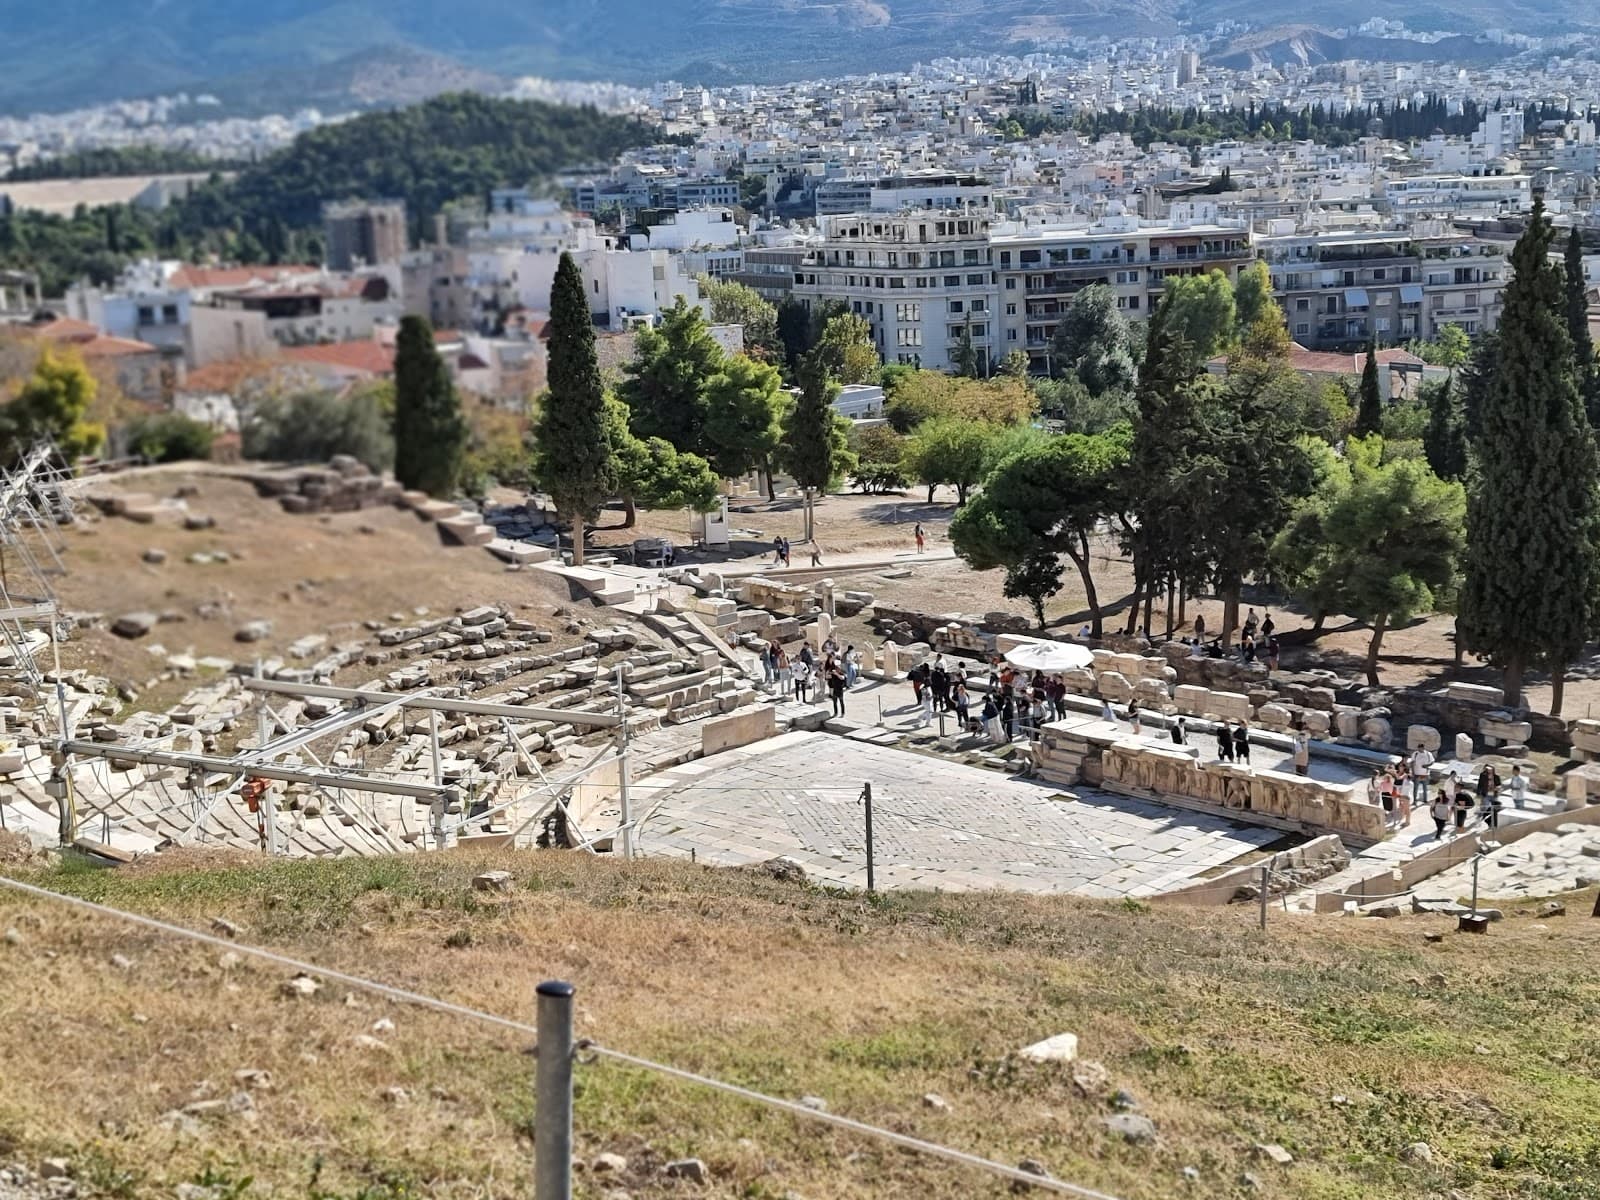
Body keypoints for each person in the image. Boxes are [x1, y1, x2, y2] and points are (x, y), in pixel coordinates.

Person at [1408, 745, 1434, 810]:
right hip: (1417, 774)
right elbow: (1412, 763)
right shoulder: (1415, 754)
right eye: (1418, 748)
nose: (1419, 749)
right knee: (1415, 788)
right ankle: (1415, 801)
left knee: (1425, 788)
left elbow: (1432, 761)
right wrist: (1413, 772)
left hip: (1425, 774)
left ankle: (1425, 800)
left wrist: (1427, 765)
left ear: (1423, 748)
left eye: (1420, 748)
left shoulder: (1428, 754)